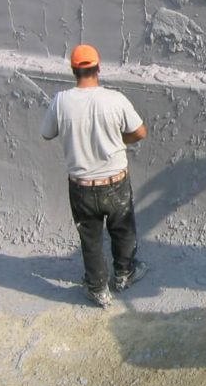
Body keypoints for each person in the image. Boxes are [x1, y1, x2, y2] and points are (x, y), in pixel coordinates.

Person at [41, 44, 148, 308]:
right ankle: (124, 274)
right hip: (115, 182)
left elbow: (47, 133)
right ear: (98, 68)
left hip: (81, 187)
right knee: (122, 230)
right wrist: (118, 138)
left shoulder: (61, 101)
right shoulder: (115, 99)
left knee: (90, 239)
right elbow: (140, 132)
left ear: (74, 70)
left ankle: (98, 289)